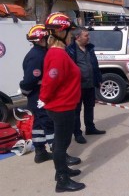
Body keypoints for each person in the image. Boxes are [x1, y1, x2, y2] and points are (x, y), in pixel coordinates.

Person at [39, 12, 84, 192]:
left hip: (64, 105)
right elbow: (51, 81)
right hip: (61, 107)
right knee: (61, 143)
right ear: (60, 32)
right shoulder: (58, 55)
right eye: (70, 33)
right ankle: (62, 180)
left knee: (62, 142)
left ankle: (63, 171)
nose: (72, 37)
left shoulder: (58, 52)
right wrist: (43, 99)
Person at [20, 24, 54, 163]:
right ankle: (58, 152)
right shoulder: (37, 56)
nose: (50, 40)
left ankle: (40, 152)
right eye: (47, 37)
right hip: (38, 95)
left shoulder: (40, 53)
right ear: (41, 39)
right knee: (49, 123)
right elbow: (29, 80)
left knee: (39, 124)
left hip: (37, 95)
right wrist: (25, 91)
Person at [66, 27, 105, 144]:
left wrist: (98, 79)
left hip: (90, 84)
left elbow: (95, 65)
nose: (89, 37)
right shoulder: (70, 50)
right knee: (76, 111)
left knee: (90, 107)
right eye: (86, 36)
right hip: (77, 86)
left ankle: (90, 128)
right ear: (77, 37)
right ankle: (77, 133)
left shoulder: (90, 48)